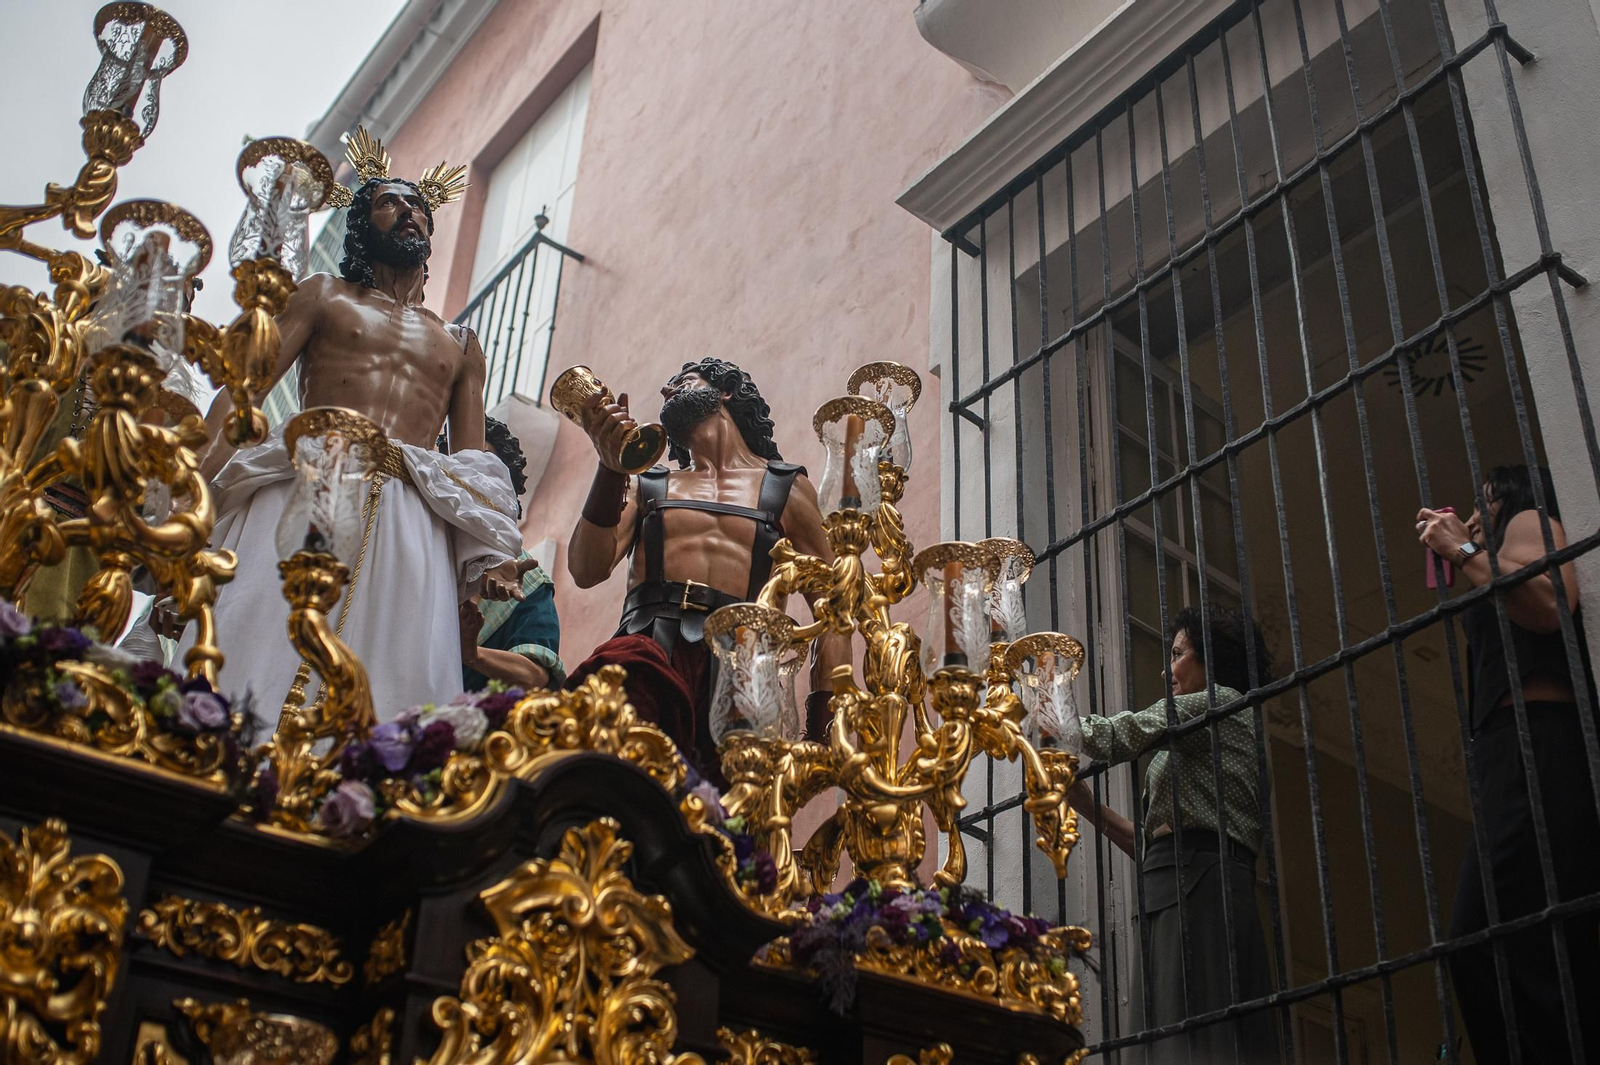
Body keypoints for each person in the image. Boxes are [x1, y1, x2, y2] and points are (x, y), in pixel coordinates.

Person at [177, 171, 522, 729]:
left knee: (392, 666)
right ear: (363, 224)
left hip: (411, 514)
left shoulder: (460, 345)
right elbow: (243, 393)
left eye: (418, 206)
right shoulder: (324, 296)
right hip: (313, 481)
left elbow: (471, 469)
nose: (409, 212)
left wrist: (486, 563)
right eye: (390, 203)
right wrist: (191, 500)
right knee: (263, 630)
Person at [564, 357, 846, 783]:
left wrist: (824, 726)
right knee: (620, 786)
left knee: (726, 823)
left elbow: (834, 610)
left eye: (683, 380)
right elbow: (586, 569)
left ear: (725, 391)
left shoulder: (785, 488)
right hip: (649, 653)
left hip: (740, 676)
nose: (666, 390)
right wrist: (610, 469)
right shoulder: (651, 485)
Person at [1417, 465, 1600, 1062]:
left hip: (1536, 742)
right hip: (1513, 752)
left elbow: (1551, 601)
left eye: (1483, 498)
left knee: (1479, 937)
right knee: (1533, 937)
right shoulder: (1500, 553)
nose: (1477, 509)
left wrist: (1462, 547)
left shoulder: (1528, 519)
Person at [1067, 605, 1279, 1064]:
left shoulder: (1220, 703)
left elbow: (1124, 733)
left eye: (1179, 653)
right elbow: (1152, 845)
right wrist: (1086, 805)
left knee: (1189, 1040)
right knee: (1171, 1039)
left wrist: (1047, 717)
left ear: (1211, 661)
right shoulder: (1209, 727)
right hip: (1174, 884)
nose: (1168, 668)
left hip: (1199, 889)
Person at [456, 416, 562, 691]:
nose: (472, 478)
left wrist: (472, 655)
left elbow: (535, 677)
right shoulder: (418, 544)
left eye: (487, 467)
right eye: (459, 464)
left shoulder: (529, 583)